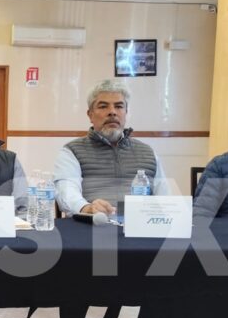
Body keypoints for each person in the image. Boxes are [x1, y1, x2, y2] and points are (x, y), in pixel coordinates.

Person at [55, 80, 166, 217]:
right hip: (92, 224)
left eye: (119, 106)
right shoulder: (72, 151)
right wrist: (87, 208)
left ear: (126, 113)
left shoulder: (148, 152)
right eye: (103, 106)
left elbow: (165, 199)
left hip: (141, 224)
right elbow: (67, 192)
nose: (112, 112)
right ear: (90, 115)